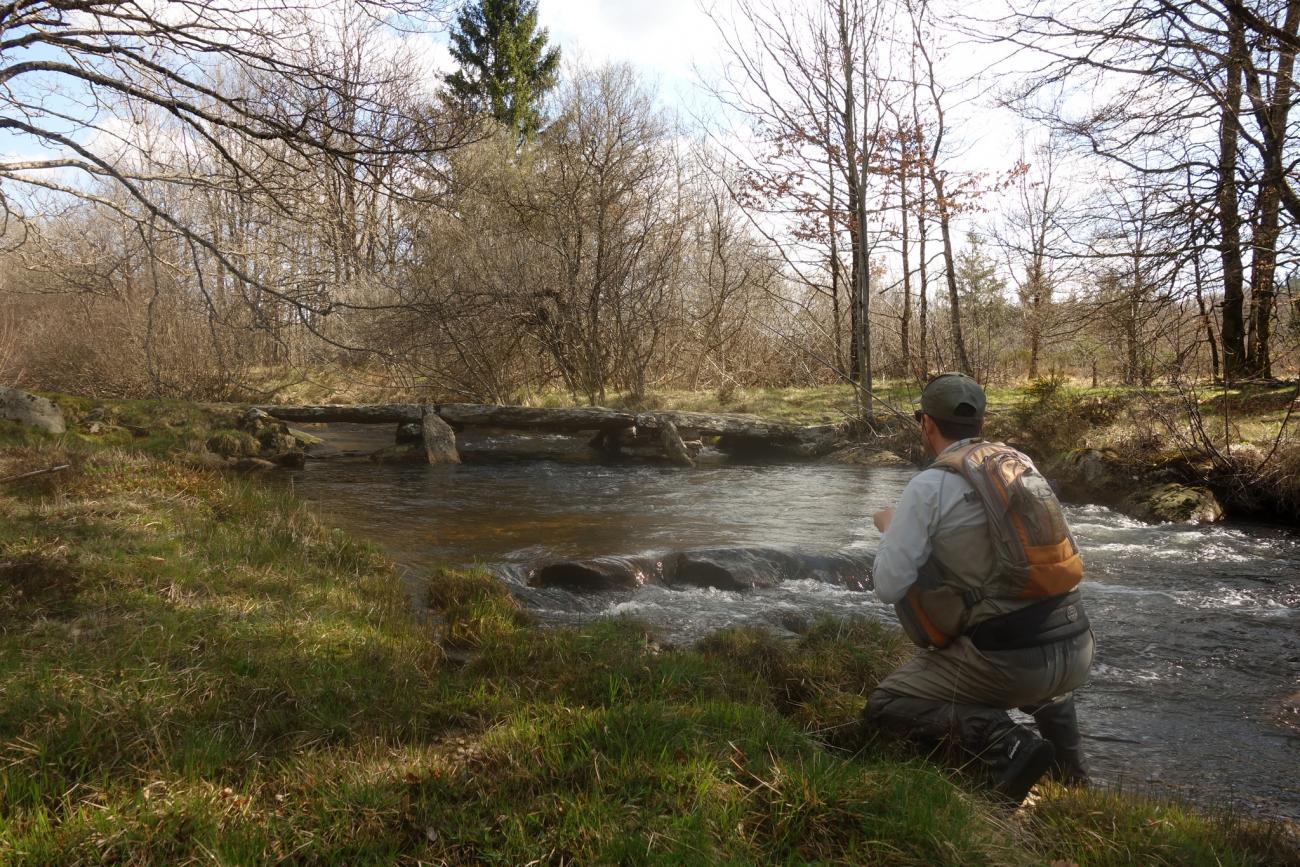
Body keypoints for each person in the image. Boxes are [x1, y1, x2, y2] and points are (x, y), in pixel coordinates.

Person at [862, 372, 1094, 804]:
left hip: (1009, 663)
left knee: (885, 705)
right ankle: (1074, 777)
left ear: (926, 424)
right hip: (1076, 647)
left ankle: (1008, 745)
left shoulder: (927, 487)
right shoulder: (1021, 464)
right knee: (1024, 628)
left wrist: (891, 531)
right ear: (983, 424)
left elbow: (889, 587)